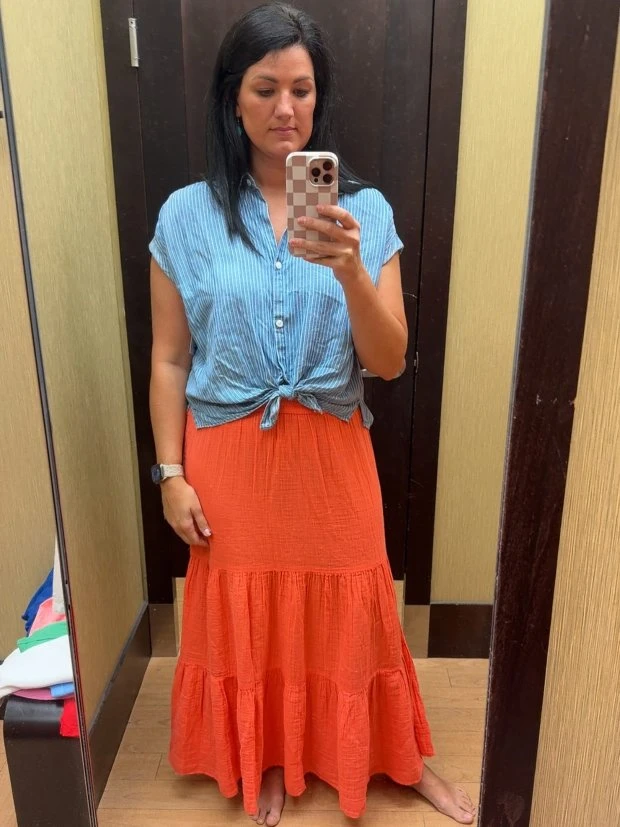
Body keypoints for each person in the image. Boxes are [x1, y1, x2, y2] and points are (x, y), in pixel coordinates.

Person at [148, 3, 476, 825]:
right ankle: (268, 754)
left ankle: (395, 754)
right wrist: (169, 474)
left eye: (301, 89)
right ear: (233, 99)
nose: (285, 107)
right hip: (229, 459)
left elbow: (388, 360)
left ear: (318, 97)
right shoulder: (184, 216)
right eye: (265, 89)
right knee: (250, 611)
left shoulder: (368, 212)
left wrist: (351, 269)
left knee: (357, 601)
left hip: (331, 452)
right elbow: (170, 358)